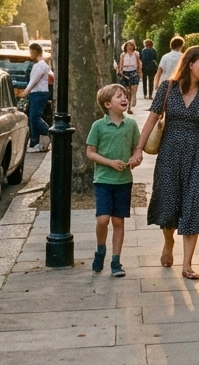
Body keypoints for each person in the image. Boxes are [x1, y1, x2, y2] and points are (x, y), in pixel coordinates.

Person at [132, 45, 199, 280]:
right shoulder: (168, 87)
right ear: (190, 63)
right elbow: (153, 117)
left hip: (197, 153)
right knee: (168, 202)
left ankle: (187, 265)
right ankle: (168, 241)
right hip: (169, 152)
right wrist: (139, 149)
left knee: (194, 204)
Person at [85, 84, 141, 277]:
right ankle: (100, 250)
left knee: (118, 221)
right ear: (108, 104)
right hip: (103, 180)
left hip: (124, 181)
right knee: (103, 219)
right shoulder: (98, 126)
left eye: (124, 95)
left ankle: (116, 261)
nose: (124, 98)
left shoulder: (131, 125)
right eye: (119, 96)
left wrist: (135, 159)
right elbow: (90, 153)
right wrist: (109, 162)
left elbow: (137, 149)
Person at [16, 42, 51, 151]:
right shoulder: (39, 65)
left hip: (39, 93)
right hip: (36, 93)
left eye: (31, 52)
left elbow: (34, 80)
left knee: (35, 118)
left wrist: (26, 91)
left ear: (36, 52)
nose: (30, 54)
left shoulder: (41, 65)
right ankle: (34, 142)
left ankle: (50, 133)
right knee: (32, 118)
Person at [116, 40, 141, 113]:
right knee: (127, 92)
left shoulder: (136, 54)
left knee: (134, 88)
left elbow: (138, 63)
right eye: (128, 46)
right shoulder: (123, 55)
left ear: (133, 47)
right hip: (125, 72)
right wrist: (120, 71)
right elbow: (121, 64)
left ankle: (134, 97)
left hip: (134, 71)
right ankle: (129, 108)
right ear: (125, 47)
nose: (129, 47)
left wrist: (139, 71)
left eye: (131, 46)